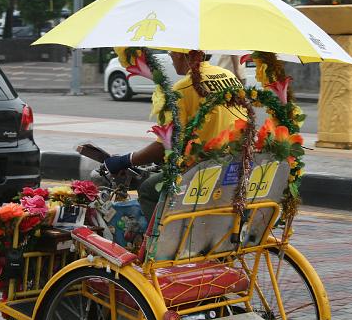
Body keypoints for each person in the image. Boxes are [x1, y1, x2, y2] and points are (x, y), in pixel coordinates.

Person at [104, 50, 246, 221]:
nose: (170, 59)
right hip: (236, 163)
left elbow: (165, 144)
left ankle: (159, 243)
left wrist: (126, 160)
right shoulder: (228, 75)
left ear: (181, 55)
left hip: (203, 168)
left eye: (171, 54)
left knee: (148, 189)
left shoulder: (183, 88)